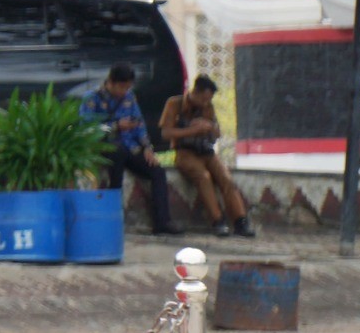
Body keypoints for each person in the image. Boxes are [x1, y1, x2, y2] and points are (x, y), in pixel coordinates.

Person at [81, 63, 175, 235]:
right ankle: (113, 216)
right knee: (117, 156)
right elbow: (88, 129)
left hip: (130, 146)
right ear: (111, 82)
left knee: (157, 172)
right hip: (105, 148)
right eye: (122, 87)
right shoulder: (91, 99)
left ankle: (162, 222)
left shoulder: (129, 98)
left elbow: (139, 124)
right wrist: (116, 126)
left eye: (128, 87)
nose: (124, 91)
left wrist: (147, 147)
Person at [160, 75, 253, 238]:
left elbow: (216, 134)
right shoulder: (174, 104)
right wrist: (191, 130)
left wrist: (210, 127)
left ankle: (240, 220)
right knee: (203, 177)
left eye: (208, 99)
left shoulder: (208, 107)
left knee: (226, 178)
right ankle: (217, 220)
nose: (205, 103)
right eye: (203, 99)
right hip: (185, 152)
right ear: (195, 92)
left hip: (206, 151)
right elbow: (166, 133)